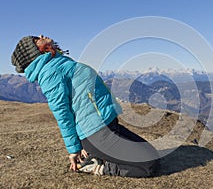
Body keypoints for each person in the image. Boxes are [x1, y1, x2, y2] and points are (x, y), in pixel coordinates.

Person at [11, 35, 160, 177]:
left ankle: (97, 156)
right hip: (96, 133)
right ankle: (100, 167)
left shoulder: (57, 62)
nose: (41, 35)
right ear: (35, 51)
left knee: (153, 154)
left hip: (107, 124)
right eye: (36, 39)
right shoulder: (49, 73)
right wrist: (74, 149)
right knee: (149, 165)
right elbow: (62, 113)